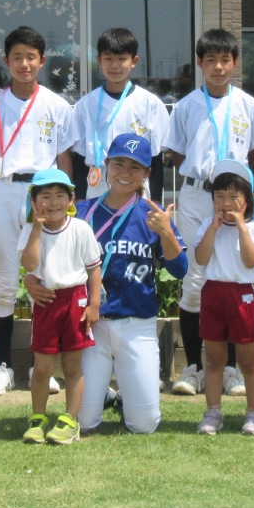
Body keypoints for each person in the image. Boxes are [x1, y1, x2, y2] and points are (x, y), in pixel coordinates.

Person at [0, 26, 74, 397]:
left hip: (43, 198)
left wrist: (64, 205)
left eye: (31, 57)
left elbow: (64, 160)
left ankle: (41, 367)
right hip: (4, 193)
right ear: (6, 61)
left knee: (44, 279)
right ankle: (3, 366)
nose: (24, 64)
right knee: (2, 281)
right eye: (17, 57)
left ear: (42, 62)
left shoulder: (57, 107)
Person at [165, 28, 254, 399]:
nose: (218, 67)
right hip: (196, 196)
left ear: (234, 63)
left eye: (225, 60)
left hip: (236, 199)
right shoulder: (187, 105)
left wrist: (236, 192)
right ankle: (193, 367)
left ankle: (234, 370)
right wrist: (204, 184)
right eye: (211, 60)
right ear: (200, 64)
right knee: (195, 281)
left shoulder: (250, 106)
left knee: (235, 277)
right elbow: (177, 153)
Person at [69, 134, 186, 436]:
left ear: (147, 173)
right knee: (83, 422)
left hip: (137, 324)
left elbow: (180, 269)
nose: (125, 172)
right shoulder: (83, 212)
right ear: (106, 166)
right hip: (91, 325)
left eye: (135, 167)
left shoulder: (154, 216)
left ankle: (125, 397)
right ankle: (104, 394)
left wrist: (166, 234)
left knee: (144, 425)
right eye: (118, 163)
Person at [18, 168, 102, 445]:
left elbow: (93, 269)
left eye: (59, 195)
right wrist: (36, 227)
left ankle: (69, 419)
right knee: (42, 367)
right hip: (46, 300)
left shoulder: (80, 229)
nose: (52, 203)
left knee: (72, 366)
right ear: (34, 201)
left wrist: (94, 304)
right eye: (45, 196)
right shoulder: (31, 231)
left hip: (76, 300)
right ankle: (38, 418)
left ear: (71, 200)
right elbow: (29, 266)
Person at [191, 160, 254, 437]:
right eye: (219, 196)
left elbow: (250, 261)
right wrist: (213, 228)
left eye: (234, 197)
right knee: (213, 360)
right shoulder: (207, 225)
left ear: (247, 201)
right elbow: (200, 258)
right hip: (213, 292)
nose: (226, 203)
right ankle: (213, 411)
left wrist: (241, 228)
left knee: (248, 361)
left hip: (243, 295)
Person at [69, 26, 171, 201]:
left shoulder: (151, 104)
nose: (114, 65)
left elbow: (156, 158)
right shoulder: (85, 105)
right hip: (97, 186)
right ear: (99, 60)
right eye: (108, 58)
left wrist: (155, 203)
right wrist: (79, 201)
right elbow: (79, 158)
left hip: (136, 185)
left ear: (134, 61)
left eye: (122, 59)